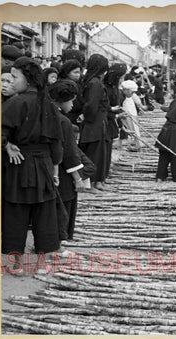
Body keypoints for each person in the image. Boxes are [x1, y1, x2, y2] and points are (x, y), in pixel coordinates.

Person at [1, 56, 64, 271]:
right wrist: (54, 166)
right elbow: (57, 142)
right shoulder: (48, 104)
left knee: (16, 212)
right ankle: (42, 264)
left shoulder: (15, 103)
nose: (11, 81)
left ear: (27, 79)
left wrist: (6, 145)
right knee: (44, 213)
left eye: (14, 77)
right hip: (44, 165)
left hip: (19, 164)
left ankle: (16, 265)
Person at [49, 79, 87, 239]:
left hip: (45, 167)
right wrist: (78, 179)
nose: (72, 105)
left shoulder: (44, 113)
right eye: (71, 100)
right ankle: (59, 238)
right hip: (62, 172)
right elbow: (70, 153)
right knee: (64, 202)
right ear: (63, 99)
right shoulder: (63, 122)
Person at [78, 53, 111, 192]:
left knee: (98, 153)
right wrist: (87, 117)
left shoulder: (91, 81)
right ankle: (90, 183)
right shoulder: (95, 83)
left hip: (96, 122)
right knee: (94, 154)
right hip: (95, 123)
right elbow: (91, 105)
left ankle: (97, 181)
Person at [103, 63, 127, 158]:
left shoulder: (115, 88)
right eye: (121, 78)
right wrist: (115, 115)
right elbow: (102, 108)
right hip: (105, 124)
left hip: (112, 124)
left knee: (109, 150)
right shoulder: (104, 88)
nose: (122, 81)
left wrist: (121, 125)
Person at [120, 79, 142, 152]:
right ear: (126, 90)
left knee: (134, 128)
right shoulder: (120, 96)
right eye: (132, 92)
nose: (132, 94)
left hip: (130, 113)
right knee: (130, 128)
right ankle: (136, 143)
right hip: (125, 113)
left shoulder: (127, 96)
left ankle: (137, 143)